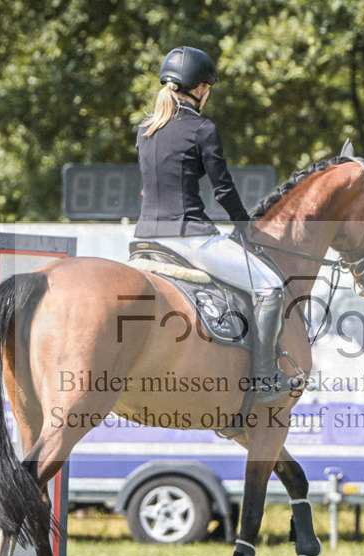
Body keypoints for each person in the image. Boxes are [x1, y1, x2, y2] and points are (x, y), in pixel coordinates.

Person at [133, 46, 293, 404]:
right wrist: (245, 225)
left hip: (144, 238)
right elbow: (223, 188)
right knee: (270, 287)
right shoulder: (202, 128)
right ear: (200, 88)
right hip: (188, 238)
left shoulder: (146, 129)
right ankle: (265, 377)